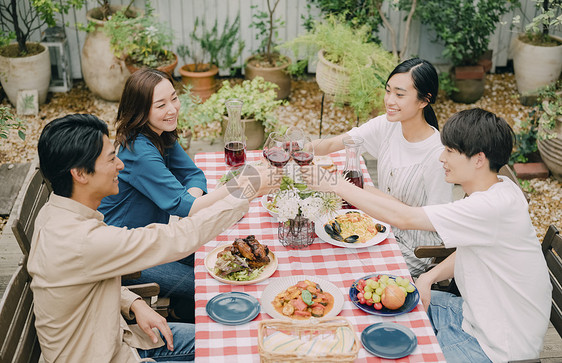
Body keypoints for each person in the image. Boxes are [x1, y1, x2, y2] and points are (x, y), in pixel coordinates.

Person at [305, 108, 551, 362]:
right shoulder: (499, 189)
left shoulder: (489, 207)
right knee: (365, 303)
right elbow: (475, 248)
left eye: (450, 152)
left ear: (478, 159)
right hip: (468, 313)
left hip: (495, 345)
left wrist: (336, 184)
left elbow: (405, 218)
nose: (441, 158)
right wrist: (428, 277)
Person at [28, 114, 273, 362]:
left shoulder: (54, 212)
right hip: (109, 355)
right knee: (234, 346)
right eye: (112, 159)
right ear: (80, 173)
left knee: (226, 336)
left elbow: (79, 280)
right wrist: (245, 190)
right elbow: (175, 238)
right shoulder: (82, 240)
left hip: (117, 335)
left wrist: (133, 302)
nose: (120, 166)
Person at [312, 58, 453, 277]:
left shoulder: (438, 156)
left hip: (411, 250)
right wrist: (293, 149)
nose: (389, 100)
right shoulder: (388, 125)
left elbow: (434, 222)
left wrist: (367, 193)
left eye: (399, 94)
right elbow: (333, 144)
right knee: (321, 250)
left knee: (342, 272)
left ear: (424, 100)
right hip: (378, 227)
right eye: (388, 91)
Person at [98, 68, 207, 322]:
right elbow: (183, 204)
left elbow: (195, 176)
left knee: (216, 250)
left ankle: (181, 311)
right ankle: (185, 317)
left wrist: (188, 200)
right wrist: (189, 203)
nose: (172, 109)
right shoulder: (138, 150)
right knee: (205, 281)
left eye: (174, 98)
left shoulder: (160, 132)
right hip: (127, 256)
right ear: (140, 111)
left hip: (153, 238)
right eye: (160, 105)